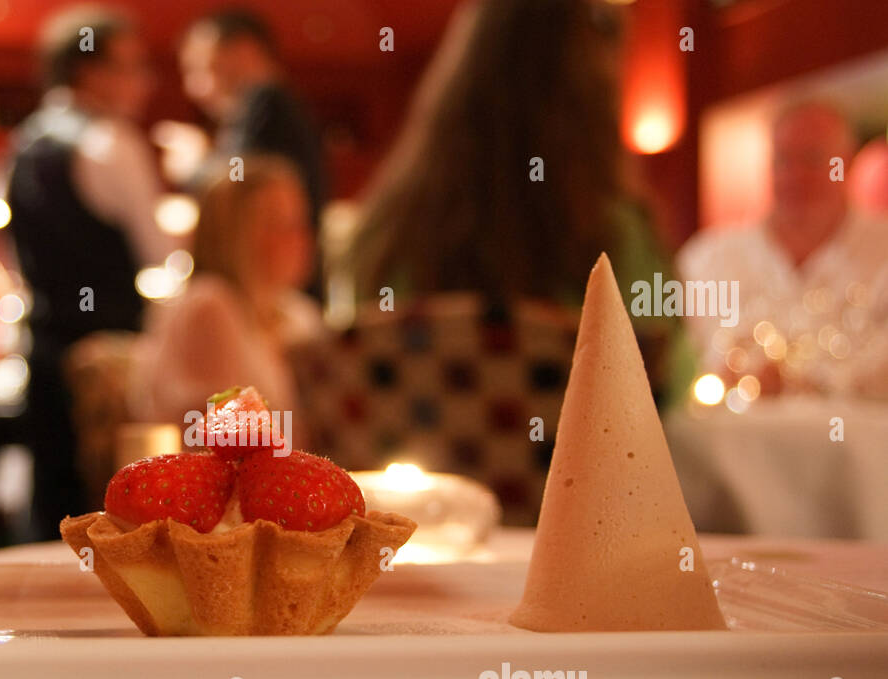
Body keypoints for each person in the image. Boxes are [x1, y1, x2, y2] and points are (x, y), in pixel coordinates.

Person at [343, 0, 691, 403]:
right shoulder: (620, 239)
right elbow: (669, 394)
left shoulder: (387, 237)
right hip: (594, 465)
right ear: (592, 87)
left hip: (428, 464)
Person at [0, 6, 173, 539]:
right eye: (132, 67)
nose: (143, 82)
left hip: (45, 346)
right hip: (112, 357)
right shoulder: (112, 142)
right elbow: (158, 253)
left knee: (50, 500)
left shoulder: (19, 145)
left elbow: (6, 248)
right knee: (114, 508)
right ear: (88, 72)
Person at [678, 101, 888, 399]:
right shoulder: (709, 259)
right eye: (784, 160)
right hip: (727, 444)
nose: (796, 176)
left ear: (847, 163)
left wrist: (805, 381)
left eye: (813, 159)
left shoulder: (882, 249)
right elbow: (684, 362)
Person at [129, 157, 322, 431]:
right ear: (233, 236)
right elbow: (221, 436)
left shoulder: (300, 313)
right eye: (277, 222)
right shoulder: (209, 305)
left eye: (300, 220)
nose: (300, 237)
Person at [177, 9, 326, 256]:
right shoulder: (273, 104)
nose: (193, 88)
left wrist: (194, 166)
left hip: (273, 277)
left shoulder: (265, 100)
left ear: (244, 51)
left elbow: (237, 188)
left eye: (202, 67)